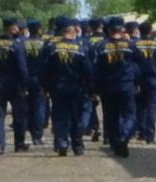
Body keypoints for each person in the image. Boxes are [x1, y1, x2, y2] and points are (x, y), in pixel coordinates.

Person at [43, 17, 92, 157]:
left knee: (59, 116)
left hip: (57, 87)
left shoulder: (52, 48)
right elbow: (87, 70)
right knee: (76, 117)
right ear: (71, 32)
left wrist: (45, 87)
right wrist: (90, 88)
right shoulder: (80, 49)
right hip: (76, 88)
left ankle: (62, 142)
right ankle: (77, 145)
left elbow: (46, 70)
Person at [92, 15, 137, 157]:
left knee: (111, 117)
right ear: (122, 29)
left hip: (108, 86)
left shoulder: (101, 46)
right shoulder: (131, 46)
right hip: (127, 85)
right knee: (129, 115)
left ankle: (115, 143)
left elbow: (96, 70)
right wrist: (136, 81)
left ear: (109, 29)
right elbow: (139, 65)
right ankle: (123, 138)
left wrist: (95, 89)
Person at [0, 17, 31, 153]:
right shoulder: (16, 44)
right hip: (15, 83)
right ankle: (19, 143)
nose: (18, 29)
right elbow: (22, 67)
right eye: (16, 27)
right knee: (19, 114)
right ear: (12, 28)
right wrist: (25, 85)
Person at [130, 20, 156, 146]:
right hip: (154, 80)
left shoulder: (133, 46)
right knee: (152, 108)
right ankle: (150, 136)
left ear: (140, 30)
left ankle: (141, 132)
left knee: (140, 107)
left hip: (138, 81)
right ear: (151, 31)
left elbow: (130, 64)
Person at [22, 19, 51, 146]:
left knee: (27, 106)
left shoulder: (22, 43)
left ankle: (28, 131)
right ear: (39, 29)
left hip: (25, 78)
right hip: (40, 78)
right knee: (39, 106)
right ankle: (37, 135)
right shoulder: (45, 43)